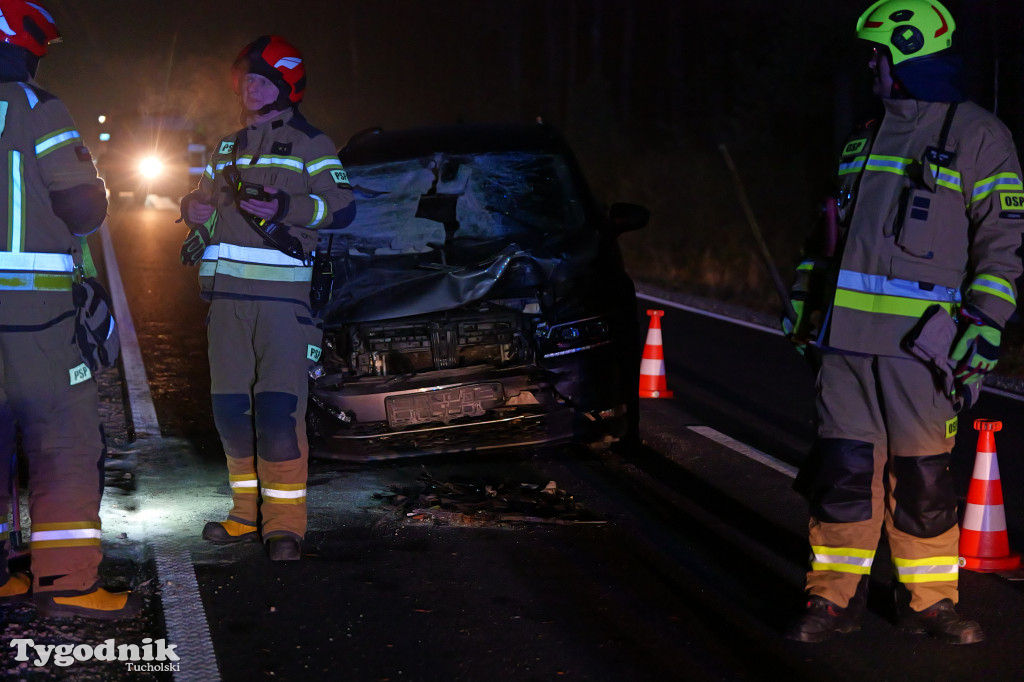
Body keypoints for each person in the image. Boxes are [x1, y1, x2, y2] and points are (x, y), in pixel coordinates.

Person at [784, 0, 1023, 645]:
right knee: (842, 476)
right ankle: (831, 598)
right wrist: (804, 299)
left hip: (921, 350)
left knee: (922, 480)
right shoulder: (862, 137)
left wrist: (986, 320)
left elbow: (1002, 243)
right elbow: (825, 236)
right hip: (844, 347)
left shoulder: (979, 135)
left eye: (878, 53)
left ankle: (930, 604)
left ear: (908, 53)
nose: (871, 65)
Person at [179, 35, 355, 561]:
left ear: (287, 86)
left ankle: (285, 527)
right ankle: (243, 515)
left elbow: (342, 208)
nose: (251, 88)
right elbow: (205, 206)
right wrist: (192, 208)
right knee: (231, 412)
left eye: (262, 80)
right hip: (225, 303)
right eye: (247, 80)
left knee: (279, 412)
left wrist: (285, 207)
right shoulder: (226, 148)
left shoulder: (311, 143)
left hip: (283, 306)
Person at [0, 0, 141, 619]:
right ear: (26, 45)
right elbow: (83, 208)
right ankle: (67, 582)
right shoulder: (38, 107)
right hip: (34, 309)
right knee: (63, 436)